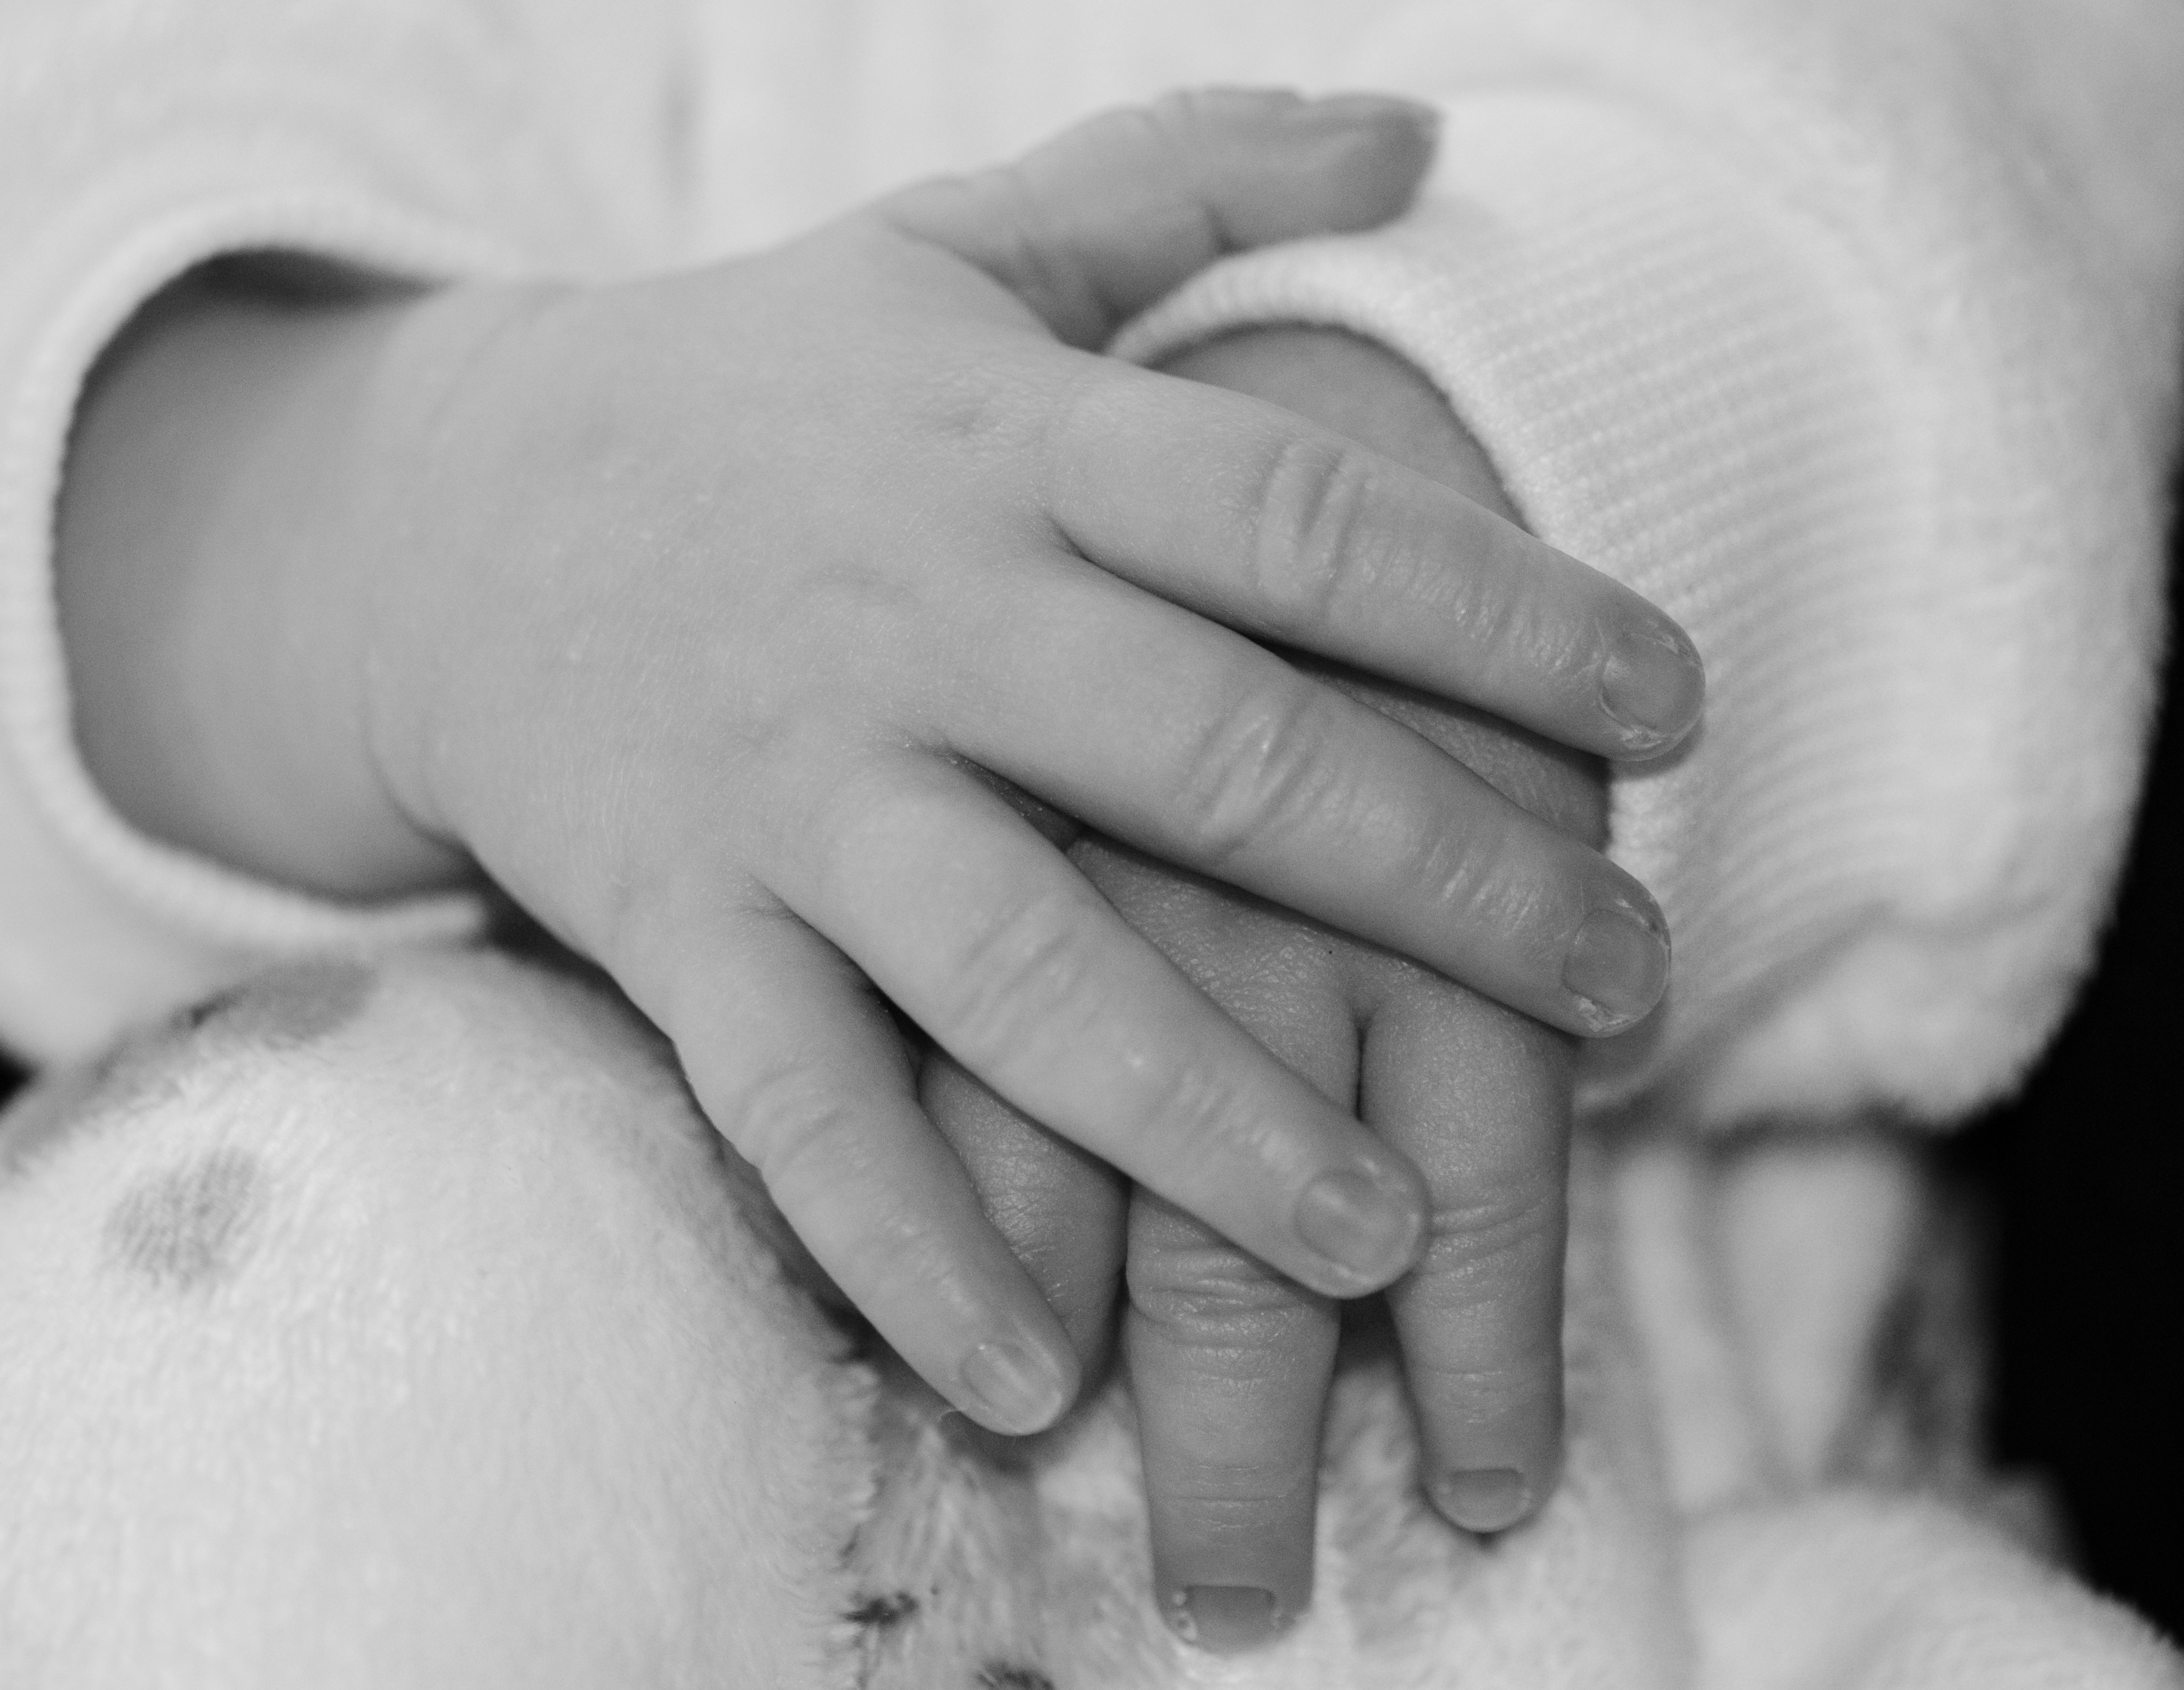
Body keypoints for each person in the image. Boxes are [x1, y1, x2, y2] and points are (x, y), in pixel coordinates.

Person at [2, 0, 2180, 1670]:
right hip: (425, 1283)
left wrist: (1406, 500)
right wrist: (458, 504)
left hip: (1622, 1445)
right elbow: (87, 197)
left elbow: (1977, 200)